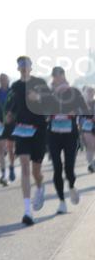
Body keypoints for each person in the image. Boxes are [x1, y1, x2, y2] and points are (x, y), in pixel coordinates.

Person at [5, 56, 51, 226]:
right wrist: (9, 115)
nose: (23, 67)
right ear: (18, 68)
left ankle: (40, 186)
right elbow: (11, 105)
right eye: (20, 64)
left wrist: (38, 99)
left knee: (35, 172)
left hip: (38, 130)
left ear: (31, 67)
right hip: (21, 130)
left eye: (26, 64)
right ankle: (27, 211)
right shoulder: (15, 86)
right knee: (24, 165)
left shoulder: (40, 83)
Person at [45, 67, 90, 214]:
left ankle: (71, 186)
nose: (55, 79)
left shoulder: (74, 92)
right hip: (53, 134)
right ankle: (61, 202)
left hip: (70, 134)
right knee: (57, 168)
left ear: (63, 76)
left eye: (57, 76)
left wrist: (75, 112)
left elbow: (85, 110)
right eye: (53, 77)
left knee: (69, 168)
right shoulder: (49, 93)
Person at [82, 86, 95, 173]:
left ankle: (92, 164)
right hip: (87, 128)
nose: (90, 93)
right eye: (89, 92)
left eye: (92, 92)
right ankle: (91, 164)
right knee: (90, 147)